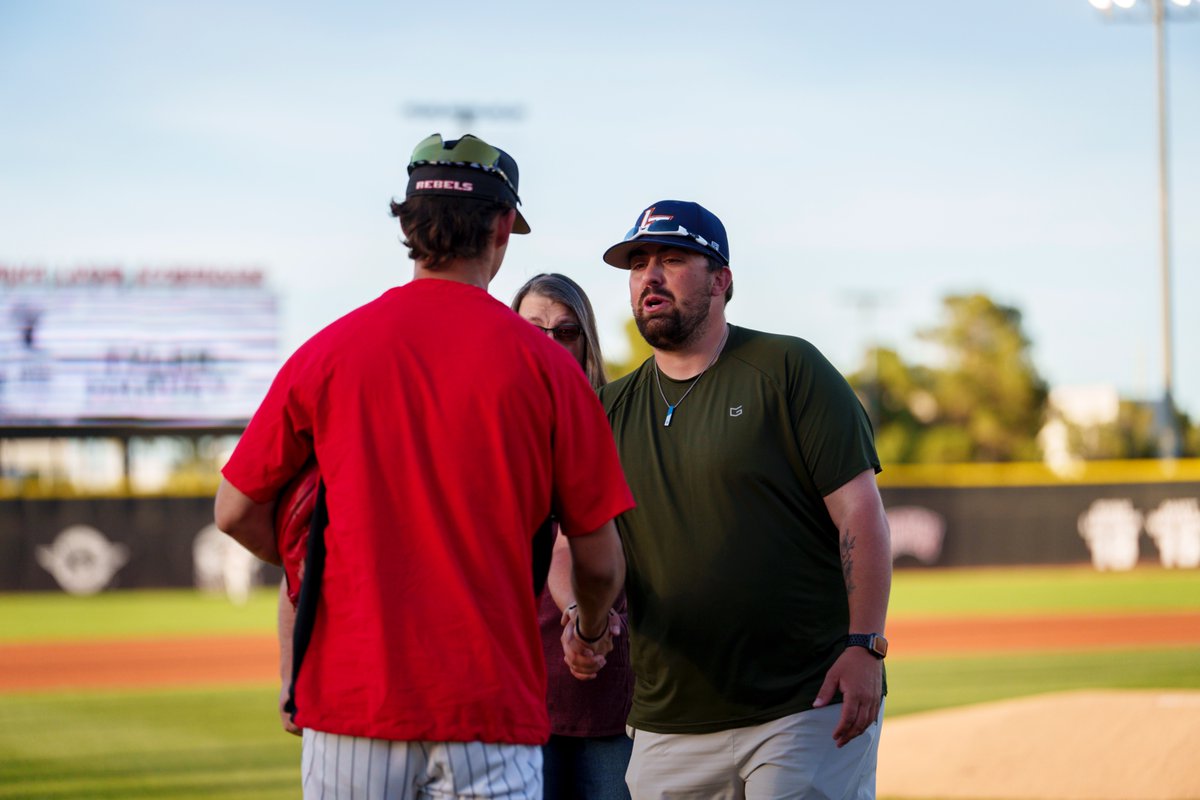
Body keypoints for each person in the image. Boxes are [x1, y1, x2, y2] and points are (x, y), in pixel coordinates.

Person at [214, 133, 633, 800]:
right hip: (492, 709)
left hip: (353, 701)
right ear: (502, 228)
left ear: (409, 226)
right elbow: (601, 561)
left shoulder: (329, 351)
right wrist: (586, 632)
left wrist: (322, 573)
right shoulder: (549, 367)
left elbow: (233, 511)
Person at [589, 200, 893, 799]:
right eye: (638, 263)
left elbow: (860, 512)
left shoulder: (786, 368)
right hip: (667, 718)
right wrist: (581, 617)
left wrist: (865, 645)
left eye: (673, 259)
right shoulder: (610, 408)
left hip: (804, 704)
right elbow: (583, 540)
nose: (650, 275)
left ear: (721, 280)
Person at [512, 273, 634, 800]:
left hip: (606, 678)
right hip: (517, 688)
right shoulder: (489, 424)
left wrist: (586, 627)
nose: (550, 344)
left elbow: (577, 542)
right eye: (534, 329)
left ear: (587, 344)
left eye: (566, 332)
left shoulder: (616, 423)